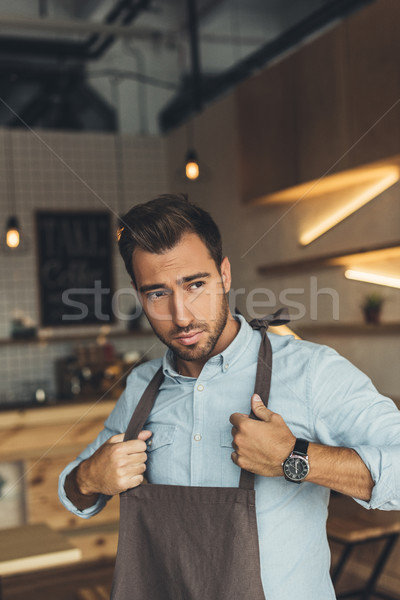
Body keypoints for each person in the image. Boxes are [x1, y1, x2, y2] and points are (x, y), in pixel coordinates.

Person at [59, 194, 400, 600]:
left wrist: (295, 458)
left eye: (195, 284)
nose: (181, 315)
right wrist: (89, 477)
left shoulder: (310, 372)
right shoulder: (142, 388)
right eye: (157, 294)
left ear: (224, 274)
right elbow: (72, 489)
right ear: (137, 293)